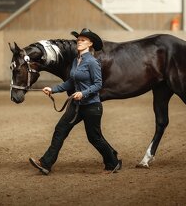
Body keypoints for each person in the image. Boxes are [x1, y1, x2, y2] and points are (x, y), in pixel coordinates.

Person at [29, 28, 122, 175]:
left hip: (92, 107)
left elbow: (98, 84)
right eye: (78, 40)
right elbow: (70, 82)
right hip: (76, 106)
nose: (79, 42)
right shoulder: (75, 61)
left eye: (83, 40)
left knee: (94, 138)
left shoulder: (92, 62)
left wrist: (83, 93)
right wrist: (53, 89)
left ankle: (113, 163)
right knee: (60, 130)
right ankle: (45, 163)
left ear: (90, 44)